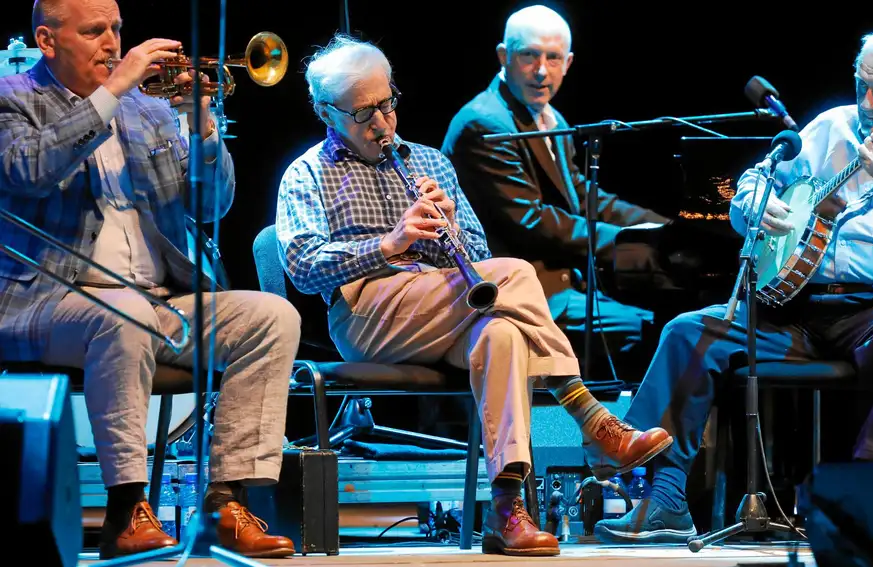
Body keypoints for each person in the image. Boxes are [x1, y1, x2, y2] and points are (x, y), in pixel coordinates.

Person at [275, 34, 672, 557]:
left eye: (387, 103)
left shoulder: (432, 164)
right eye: (362, 113)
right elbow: (303, 267)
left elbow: (479, 258)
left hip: (450, 307)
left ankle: (507, 509)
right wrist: (390, 243)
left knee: (503, 332)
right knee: (517, 273)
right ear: (327, 113)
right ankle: (592, 420)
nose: (382, 123)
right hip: (370, 316)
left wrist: (451, 231)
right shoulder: (308, 173)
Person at [592, 27, 873, 544]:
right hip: (802, 308)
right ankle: (663, 497)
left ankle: (859, 509)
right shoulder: (832, 127)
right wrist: (757, 205)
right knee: (690, 332)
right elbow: (759, 179)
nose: (868, 103)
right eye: (861, 85)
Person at [0, 0, 300, 559]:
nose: (112, 44)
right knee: (125, 317)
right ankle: (127, 507)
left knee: (271, 316)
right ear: (47, 40)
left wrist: (202, 123)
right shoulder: (13, 97)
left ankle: (226, 500)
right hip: (42, 297)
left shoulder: (148, 110)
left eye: (116, 29)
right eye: (94, 32)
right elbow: (27, 170)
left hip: (157, 298)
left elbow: (211, 204)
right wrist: (109, 95)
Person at [441, 5, 671, 369]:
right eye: (529, 56)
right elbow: (531, 221)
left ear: (569, 63)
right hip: (512, 291)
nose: (542, 71)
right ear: (504, 56)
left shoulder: (549, 117)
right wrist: (633, 241)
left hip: (560, 282)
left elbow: (581, 195)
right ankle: (606, 423)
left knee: (668, 315)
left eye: (553, 58)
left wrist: (662, 227)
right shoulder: (486, 123)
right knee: (648, 330)